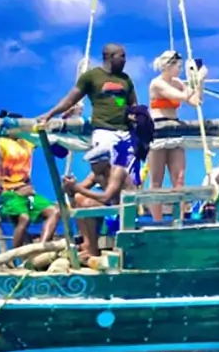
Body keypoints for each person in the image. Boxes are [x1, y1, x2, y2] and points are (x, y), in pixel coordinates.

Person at [62, 105, 154, 258]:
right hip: (110, 211)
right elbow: (78, 191)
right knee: (79, 199)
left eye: (93, 163)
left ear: (104, 162)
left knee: (87, 203)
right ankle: (87, 243)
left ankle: (92, 248)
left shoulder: (118, 171)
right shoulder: (96, 174)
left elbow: (105, 197)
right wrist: (69, 187)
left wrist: (77, 188)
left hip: (124, 213)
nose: (91, 166)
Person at [36, 43, 137, 153]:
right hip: (104, 132)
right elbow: (70, 100)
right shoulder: (91, 77)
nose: (125, 60)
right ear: (111, 56)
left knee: (124, 169)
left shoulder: (126, 79)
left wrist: (135, 117)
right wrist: (49, 114)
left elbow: (133, 104)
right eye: (122, 56)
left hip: (125, 133)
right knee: (104, 167)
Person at [0, 113, 60, 250]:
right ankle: (13, 256)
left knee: (54, 211)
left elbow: (44, 133)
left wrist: (67, 115)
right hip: (8, 193)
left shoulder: (27, 142)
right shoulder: (1, 143)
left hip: (28, 193)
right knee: (24, 218)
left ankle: (40, 248)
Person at [145, 50, 202, 221]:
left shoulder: (177, 82)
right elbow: (182, 97)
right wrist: (195, 81)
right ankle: (157, 220)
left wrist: (200, 82)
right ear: (168, 66)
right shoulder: (157, 84)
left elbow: (195, 101)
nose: (180, 69)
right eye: (178, 66)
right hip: (158, 130)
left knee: (179, 178)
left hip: (175, 128)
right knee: (157, 180)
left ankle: (180, 218)